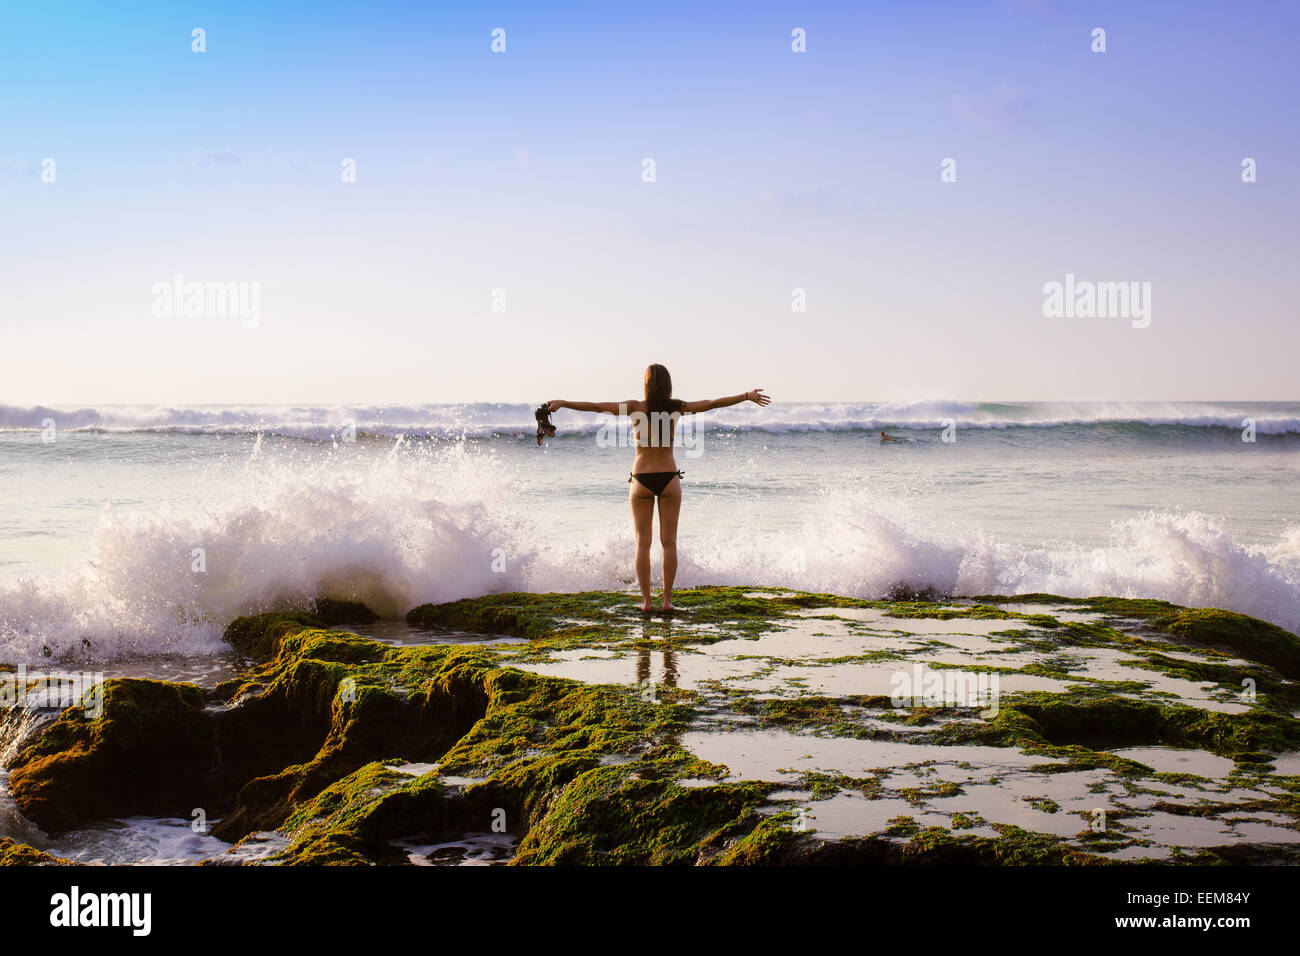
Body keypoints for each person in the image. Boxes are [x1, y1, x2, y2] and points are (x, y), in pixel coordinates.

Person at [547, 364, 771, 613]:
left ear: (646, 384)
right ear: (668, 384)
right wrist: (745, 396)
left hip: (641, 478)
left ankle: (646, 602)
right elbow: (711, 403)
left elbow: (597, 406)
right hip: (668, 478)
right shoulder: (676, 408)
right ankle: (666, 601)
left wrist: (564, 402)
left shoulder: (634, 408)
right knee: (669, 543)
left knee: (643, 543)